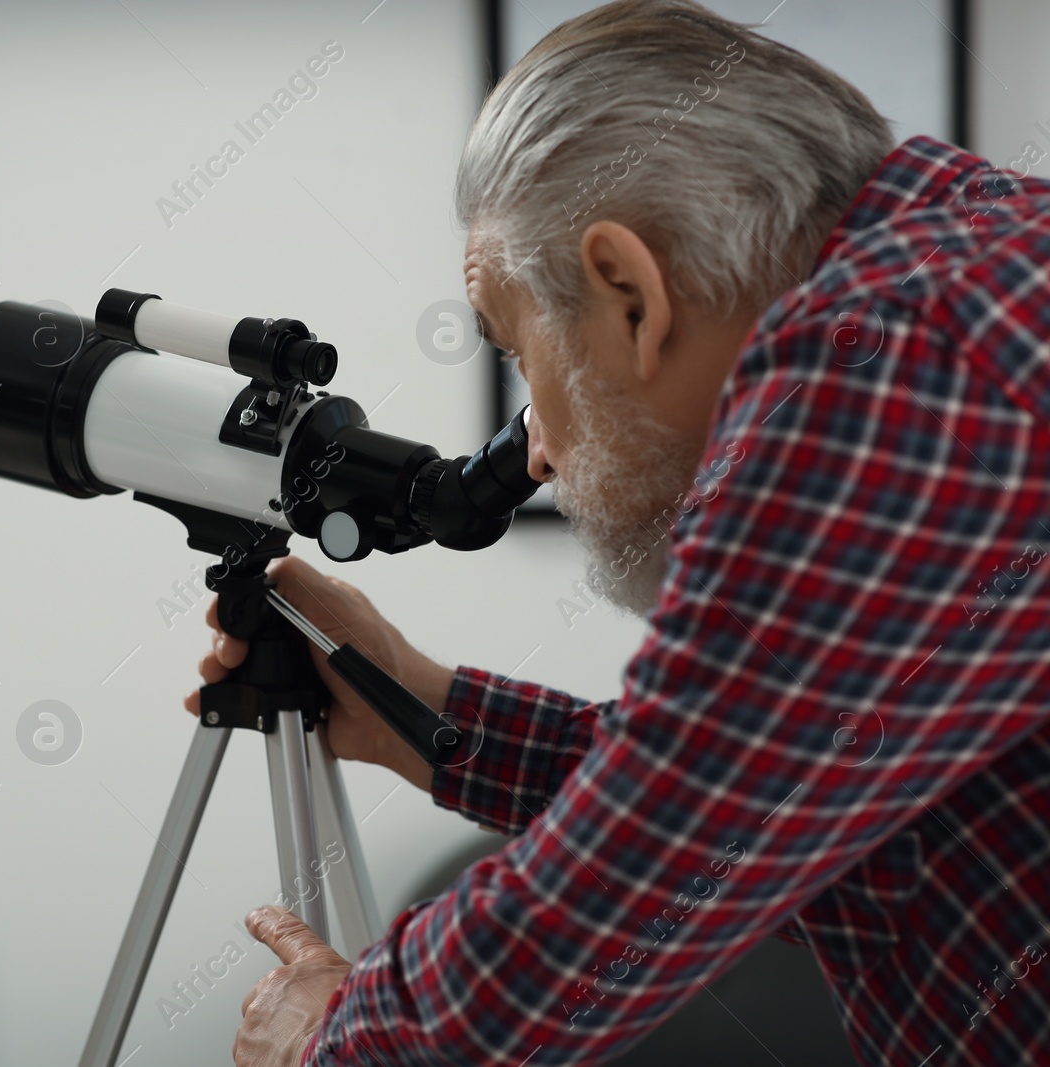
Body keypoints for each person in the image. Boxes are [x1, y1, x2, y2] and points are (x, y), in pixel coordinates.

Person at [188, 2, 1050, 1064]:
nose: (535, 446)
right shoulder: (983, 262)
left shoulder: (883, 356)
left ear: (628, 293)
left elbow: (659, 846)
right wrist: (426, 702)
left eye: (520, 352)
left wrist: (343, 1034)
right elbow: (767, 789)